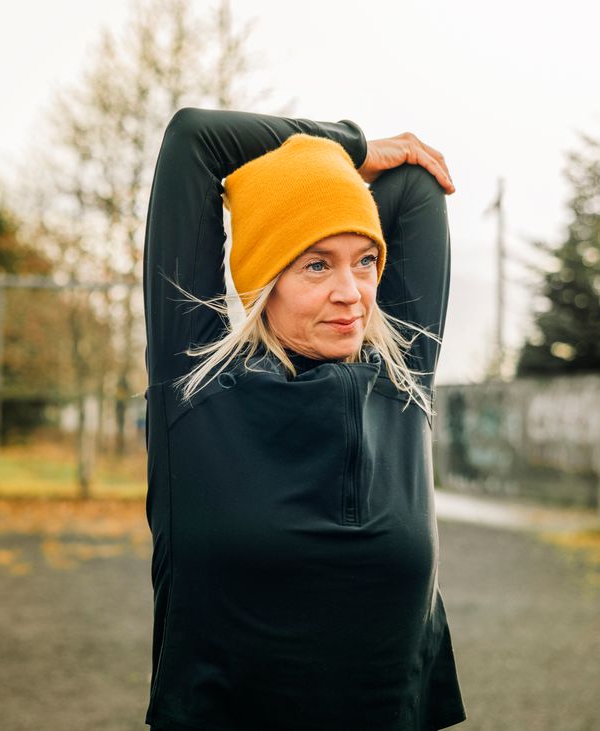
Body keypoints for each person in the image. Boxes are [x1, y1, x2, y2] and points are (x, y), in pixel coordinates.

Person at [141, 106, 465, 731]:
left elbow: (416, 185)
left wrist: (332, 183)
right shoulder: (196, 390)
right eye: (316, 264)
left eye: (365, 260)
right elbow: (195, 138)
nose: (351, 292)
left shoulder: (403, 387)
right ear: (266, 279)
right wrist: (351, 146)